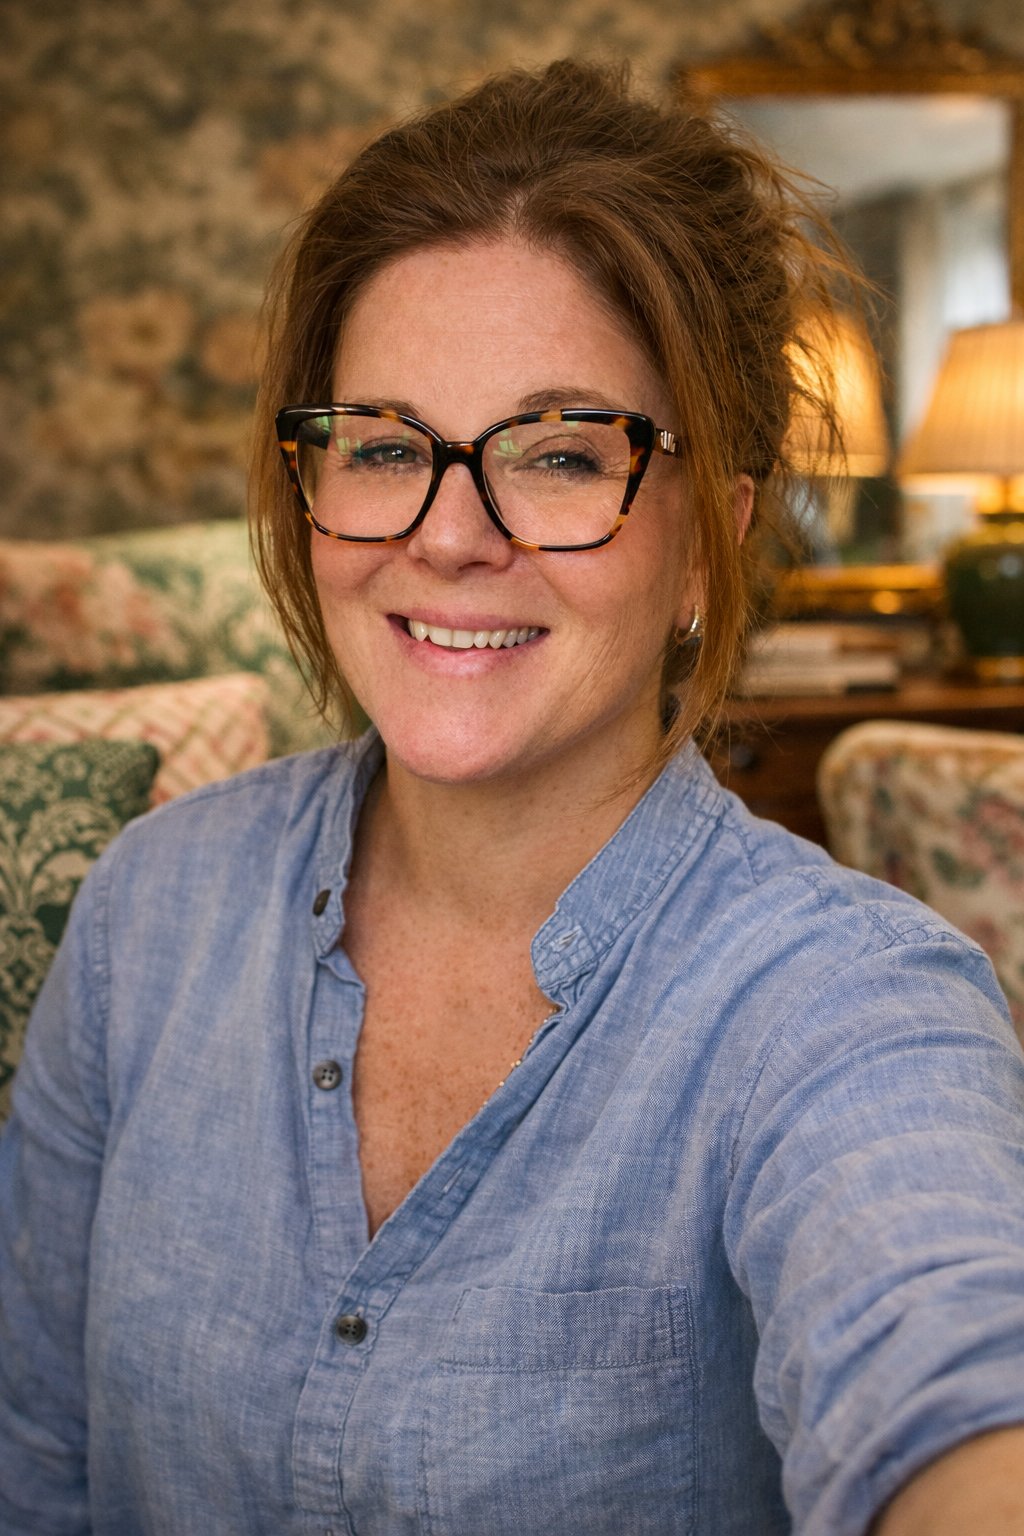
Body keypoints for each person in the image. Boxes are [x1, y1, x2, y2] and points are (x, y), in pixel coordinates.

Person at [2, 58, 1024, 1536]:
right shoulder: (147, 911)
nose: (451, 536)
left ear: (708, 537)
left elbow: (954, 1377)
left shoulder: (844, 1001)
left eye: (559, 453)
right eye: (387, 446)